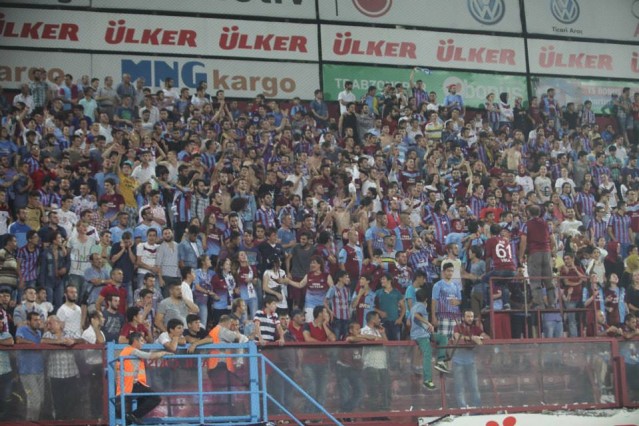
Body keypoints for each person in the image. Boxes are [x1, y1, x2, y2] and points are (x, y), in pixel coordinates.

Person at [115, 332, 170, 426]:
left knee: (145, 400)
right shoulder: (132, 350)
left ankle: (130, 417)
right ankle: (132, 416)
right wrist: (164, 353)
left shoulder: (126, 351)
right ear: (135, 341)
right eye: (141, 340)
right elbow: (149, 356)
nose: (143, 342)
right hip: (132, 384)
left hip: (129, 385)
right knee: (155, 398)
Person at [410, 288, 450, 390]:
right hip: (421, 335)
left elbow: (410, 320)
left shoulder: (413, 306)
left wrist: (426, 327)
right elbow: (416, 316)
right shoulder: (421, 306)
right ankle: (427, 380)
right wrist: (428, 323)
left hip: (425, 333)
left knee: (442, 338)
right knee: (427, 353)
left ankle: (440, 361)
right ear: (426, 299)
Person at [451, 309, 489, 408]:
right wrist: (472, 338)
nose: (470, 318)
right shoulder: (457, 327)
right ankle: (463, 408)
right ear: (463, 318)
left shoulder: (475, 328)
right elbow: (457, 337)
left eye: (471, 316)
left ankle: (477, 408)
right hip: (458, 361)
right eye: (468, 316)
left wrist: (480, 338)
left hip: (470, 361)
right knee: (460, 387)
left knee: (474, 386)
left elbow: (486, 337)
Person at [520, 204, 556, 308]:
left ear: (528, 213)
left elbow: (523, 241)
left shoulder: (526, 225)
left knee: (535, 280)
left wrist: (521, 256)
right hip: (547, 252)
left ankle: (539, 304)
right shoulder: (546, 224)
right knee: (549, 280)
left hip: (534, 253)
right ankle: (553, 303)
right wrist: (549, 250)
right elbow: (553, 241)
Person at [15, 311, 45, 421]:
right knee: (35, 399)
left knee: (38, 399)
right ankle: (33, 421)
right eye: (35, 320)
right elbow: (18, 340)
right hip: (27, 372)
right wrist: (33, 344)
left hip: (39, 370)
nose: (38, 322)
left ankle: (29, 420)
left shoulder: (39, 333)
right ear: (28, 321)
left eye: (39, 320)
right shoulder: (22, 329)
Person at [360, 311, 390, 411]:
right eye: (378, 318)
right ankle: (373, 412)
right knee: (374, 390)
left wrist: (383, 333)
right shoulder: (363, 331)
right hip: (370, 365)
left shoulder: (379, 331)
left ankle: (385, 410)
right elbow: (372, 340)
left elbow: (387, 343)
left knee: (386, 389)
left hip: (382, 365)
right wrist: (377, 338)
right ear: (372, 319)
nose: (380, 320)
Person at [431, 262, 462, 339]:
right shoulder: (438, 285)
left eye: (452, 271)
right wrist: (433, 317)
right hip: (443, 316)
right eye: (448, 271)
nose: (450, 273)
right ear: (443, 272)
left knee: (455, 340)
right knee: (443, 340)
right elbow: (433, 301)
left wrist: (457, 302)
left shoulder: (456, 285)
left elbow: (460, 300)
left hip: (455, 316)